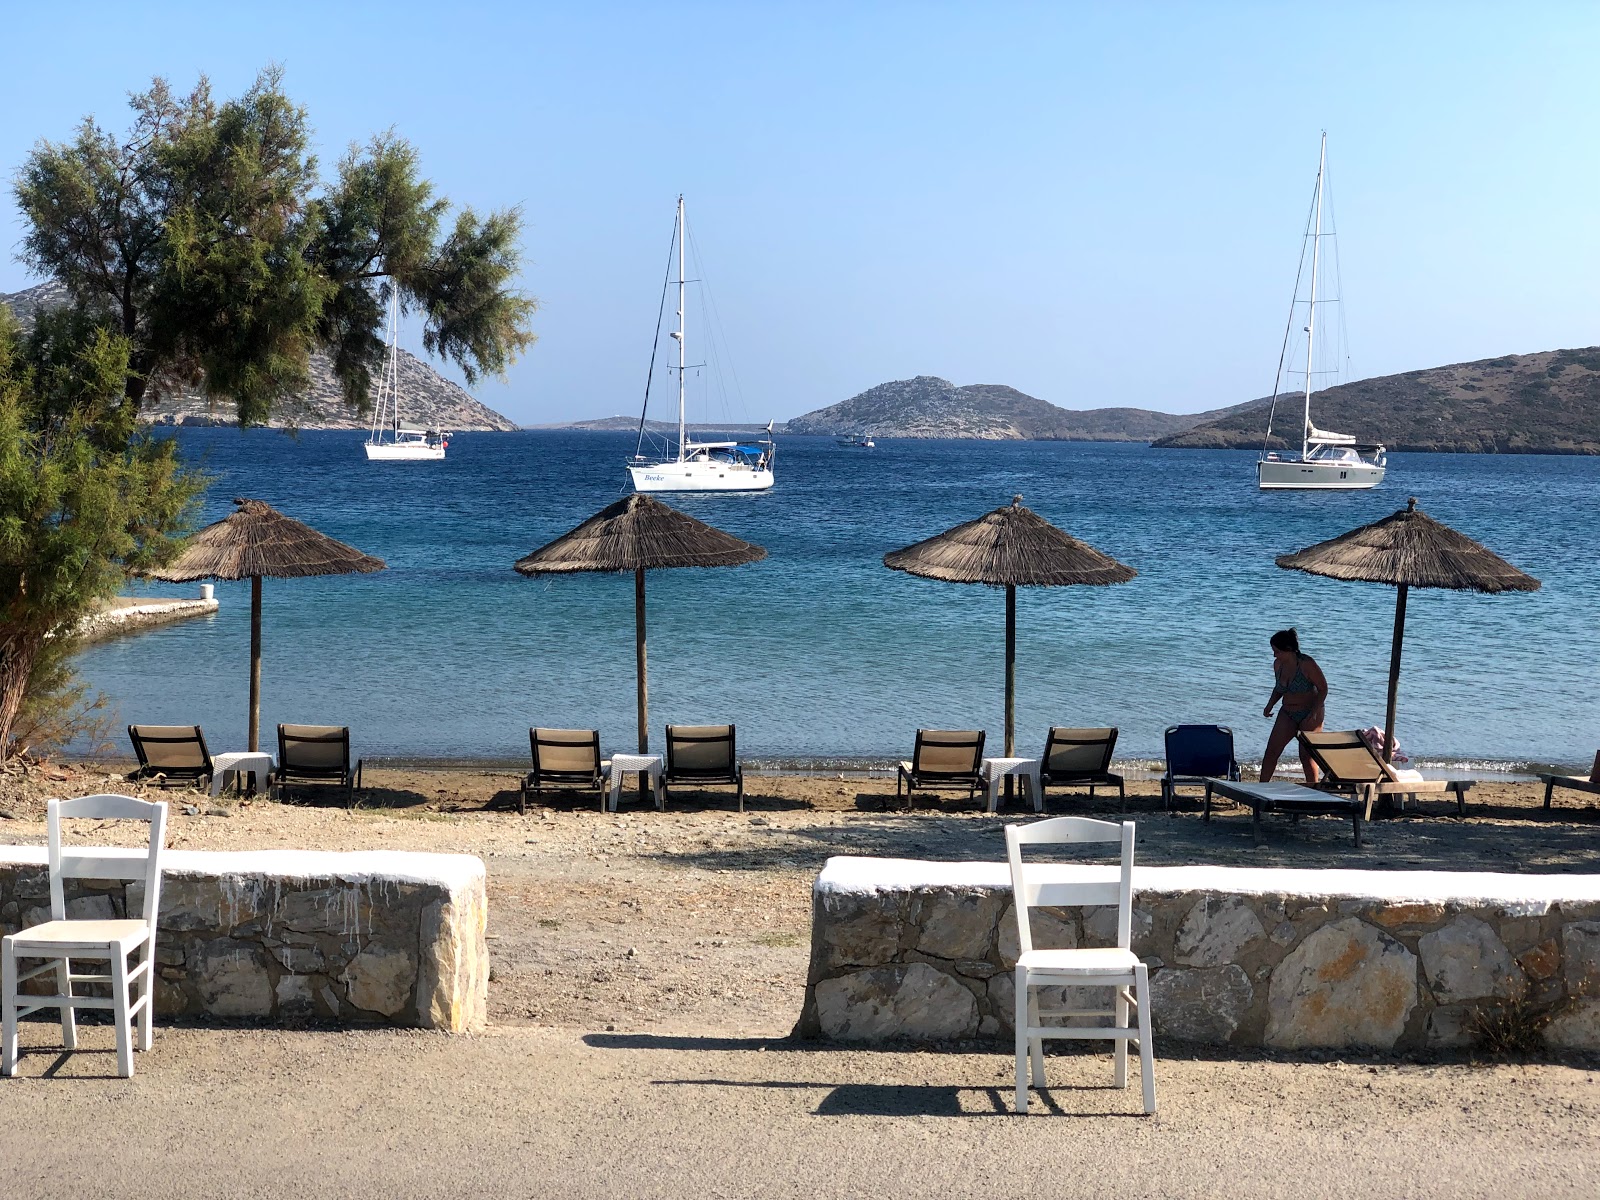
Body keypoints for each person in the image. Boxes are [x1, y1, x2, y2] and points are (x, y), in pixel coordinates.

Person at [1260, 628, 1327, 783]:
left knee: (1306, 756)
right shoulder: (1278, 665)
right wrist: (1269, 705)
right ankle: (1261, 788)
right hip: (1288, 712)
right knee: (1271, 752)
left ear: (1288, 650)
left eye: (1277, 651)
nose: (1274, 655)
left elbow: (1323, 688)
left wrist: (1314, 711)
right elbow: (1279, 688)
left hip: (1310, 713)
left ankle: (1313, 791)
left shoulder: (1306, 664)